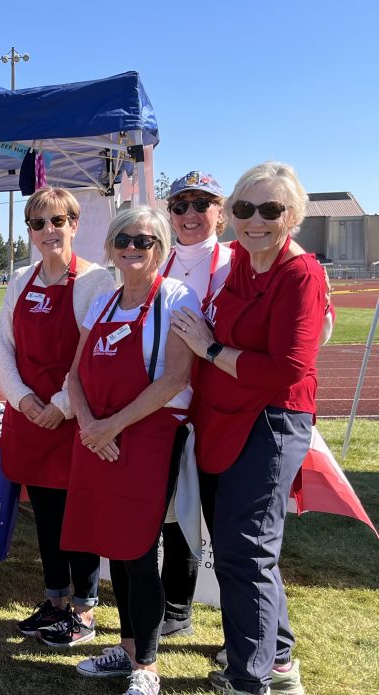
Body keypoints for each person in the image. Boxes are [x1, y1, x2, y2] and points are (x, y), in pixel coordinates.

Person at [171, 162, 325, 695]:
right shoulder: (240, 263)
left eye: (270, 209)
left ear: (293, 217)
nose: (255, 220)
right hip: (221, 419)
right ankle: (276, 660)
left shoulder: (300, 273)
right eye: (244, 209)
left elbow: (288, 367)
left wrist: (211, 349)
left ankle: (250, 678)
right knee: (243, 548)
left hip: (270, 421)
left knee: (245, 551)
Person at [62, 207, 199, 695]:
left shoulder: (178, 296)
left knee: (139, 549)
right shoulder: (101, 301)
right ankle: (125, 648)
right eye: (123, 238)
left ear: (160, 247)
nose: (132, 247)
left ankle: (148, 664)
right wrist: (89, 426)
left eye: (144, 239)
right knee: (113, 546)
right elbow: (74, 374)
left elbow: (176, 378)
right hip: (97, 437)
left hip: (146, 437)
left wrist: (111, 426)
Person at [0, 188, 114, 647]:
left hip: (73, 421)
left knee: (76, 517)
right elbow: (4, 346)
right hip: (29, 418)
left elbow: (93, 356)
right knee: (46, 516)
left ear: (74, 225)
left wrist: (60, 407)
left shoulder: (96, 281)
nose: (49, 231)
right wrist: (25, 400)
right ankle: (56, 601)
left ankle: (84, 611)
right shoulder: (20, 279)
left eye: (58, 221)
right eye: (39, 223)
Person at [157, 170, 231, 638]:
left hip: (223, 415)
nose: (189, 214)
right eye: (180, 205)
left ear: (220, 214)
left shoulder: (237, 263)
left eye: (201, 204)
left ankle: (241, 630)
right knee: (174, 517)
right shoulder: (156, 263)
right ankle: (176, 609)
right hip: (169, 412)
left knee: (227, 526)